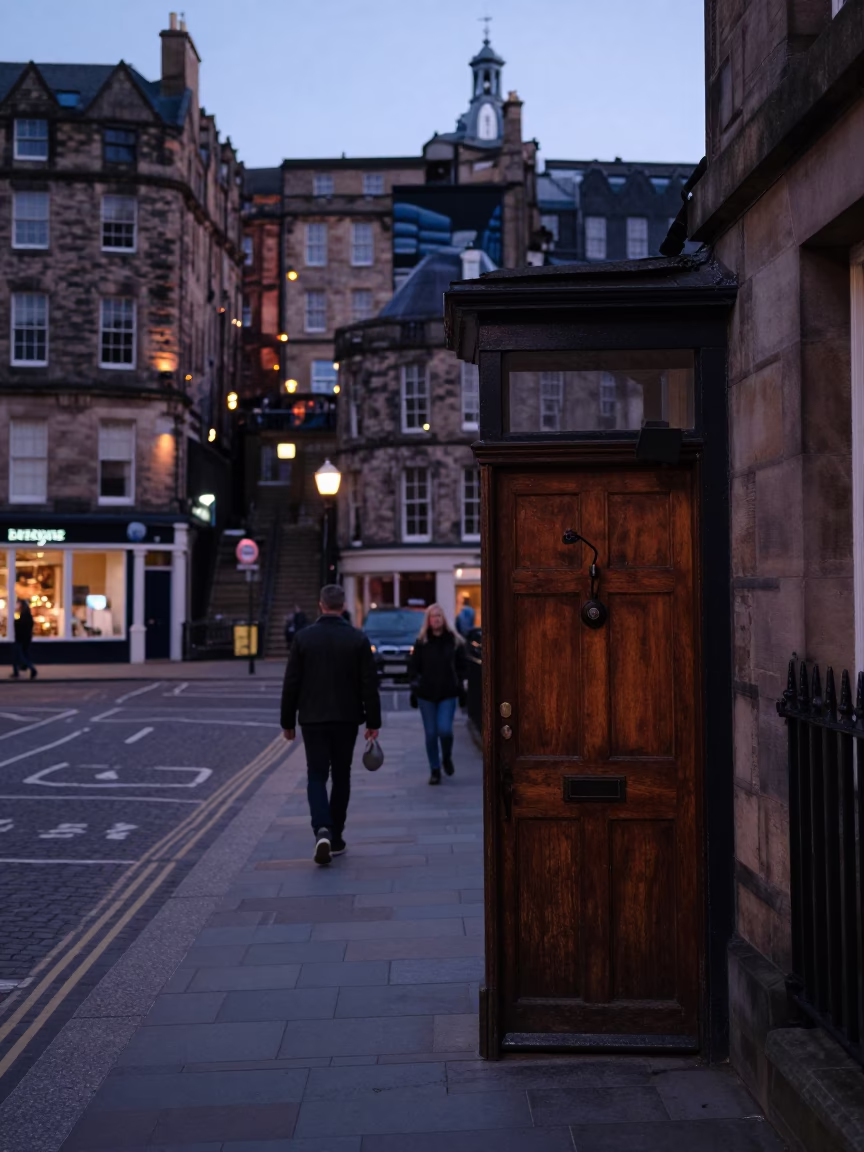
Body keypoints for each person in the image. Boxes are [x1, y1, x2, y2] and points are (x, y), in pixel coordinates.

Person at [281, 584, 381, 865]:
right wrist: (373, 721)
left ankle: (321, 828)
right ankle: (336, 837)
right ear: (343, 606)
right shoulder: (357, 639)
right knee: (341, 775)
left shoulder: (303, 639)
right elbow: (368, 685)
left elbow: (291, 684)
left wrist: (287, 722)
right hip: (346, 718)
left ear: (321, 605)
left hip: (312, 719)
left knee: (315, 776)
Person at [408, 603, 467, 785]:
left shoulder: (454, 641)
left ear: (444, 619)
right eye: (433, 617)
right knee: (431, 733)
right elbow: (413, 668)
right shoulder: (421, 642)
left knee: (445, 730)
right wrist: (415, 685)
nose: (436, 619)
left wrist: (460, 683)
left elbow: (462, 666)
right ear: (428, 620)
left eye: (439, 616)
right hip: (426, 694)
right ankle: (435, 769)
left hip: (448, 692)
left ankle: (446, 756)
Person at [11, 599, 37, 680]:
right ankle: (17, 671)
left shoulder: (24, 615)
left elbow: (21, 627)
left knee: (20, 655)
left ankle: (31, 668)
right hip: (25, 638)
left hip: (21, 638)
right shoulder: (27, 615)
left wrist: (15, 622)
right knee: (21, 655)